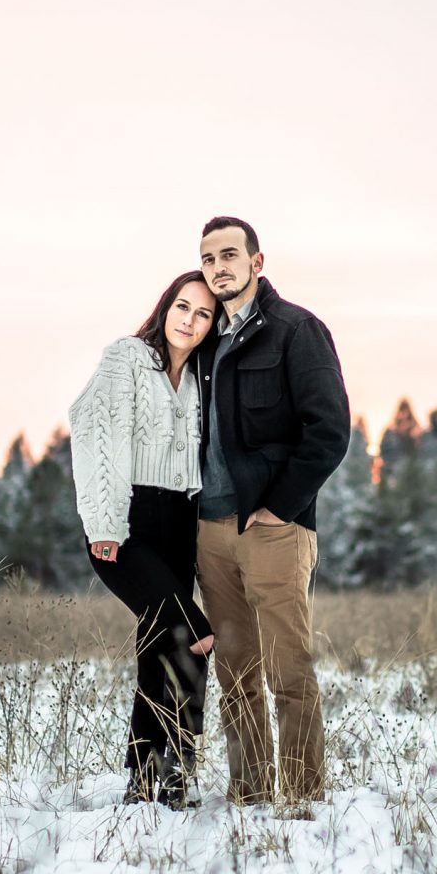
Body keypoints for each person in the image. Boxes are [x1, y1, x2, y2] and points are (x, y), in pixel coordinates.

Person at [193, 217, 350, 808]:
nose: (218, 267)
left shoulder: (296, 330)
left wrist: (280, 507)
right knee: (235, 672)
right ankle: (251, 793)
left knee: (288, 669)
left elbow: (330, 430)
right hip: (210, 532)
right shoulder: (206, 340)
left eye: (230, 254)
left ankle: (304, 796)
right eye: (208, 259)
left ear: (258, 262)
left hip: (273, 531)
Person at [68, 270, 221, 807]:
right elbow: (93, 430)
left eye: (204, 314)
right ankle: (178, 759)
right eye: (183, 306)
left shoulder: (202, 374)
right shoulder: (128, 358)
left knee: (158, 648)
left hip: (180, 521)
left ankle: (146, 777)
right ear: (166, 308)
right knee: (194, 633)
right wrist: (104, 524)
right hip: (127, 524)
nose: (191, 320)